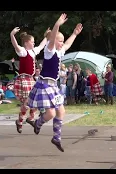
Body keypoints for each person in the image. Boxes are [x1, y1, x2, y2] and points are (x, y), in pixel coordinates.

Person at [28, 13, 83, 152]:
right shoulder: (49, 50)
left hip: (53, 86)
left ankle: (56, 138)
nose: (62, 43)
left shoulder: (60, 51)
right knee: (51, 114)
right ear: (52, 41)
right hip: (45, 85)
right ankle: (38, 123)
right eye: (60, 40)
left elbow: (68, 44)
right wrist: (57, 24)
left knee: (61, 111)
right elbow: (53, 38)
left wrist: (75, 34)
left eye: (62, 41)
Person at [10, 25, 49, 134]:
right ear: (27, 42)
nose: (34, 43)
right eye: (32, 42)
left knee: (35, 101)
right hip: (24, 79)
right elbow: (15, 45)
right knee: (27, 103)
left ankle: (29, 119)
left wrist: (47, 36)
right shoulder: (22, 51)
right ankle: (21, 121)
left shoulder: (33, 52)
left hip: (31, 80)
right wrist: (12, 35)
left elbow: (41, 45)